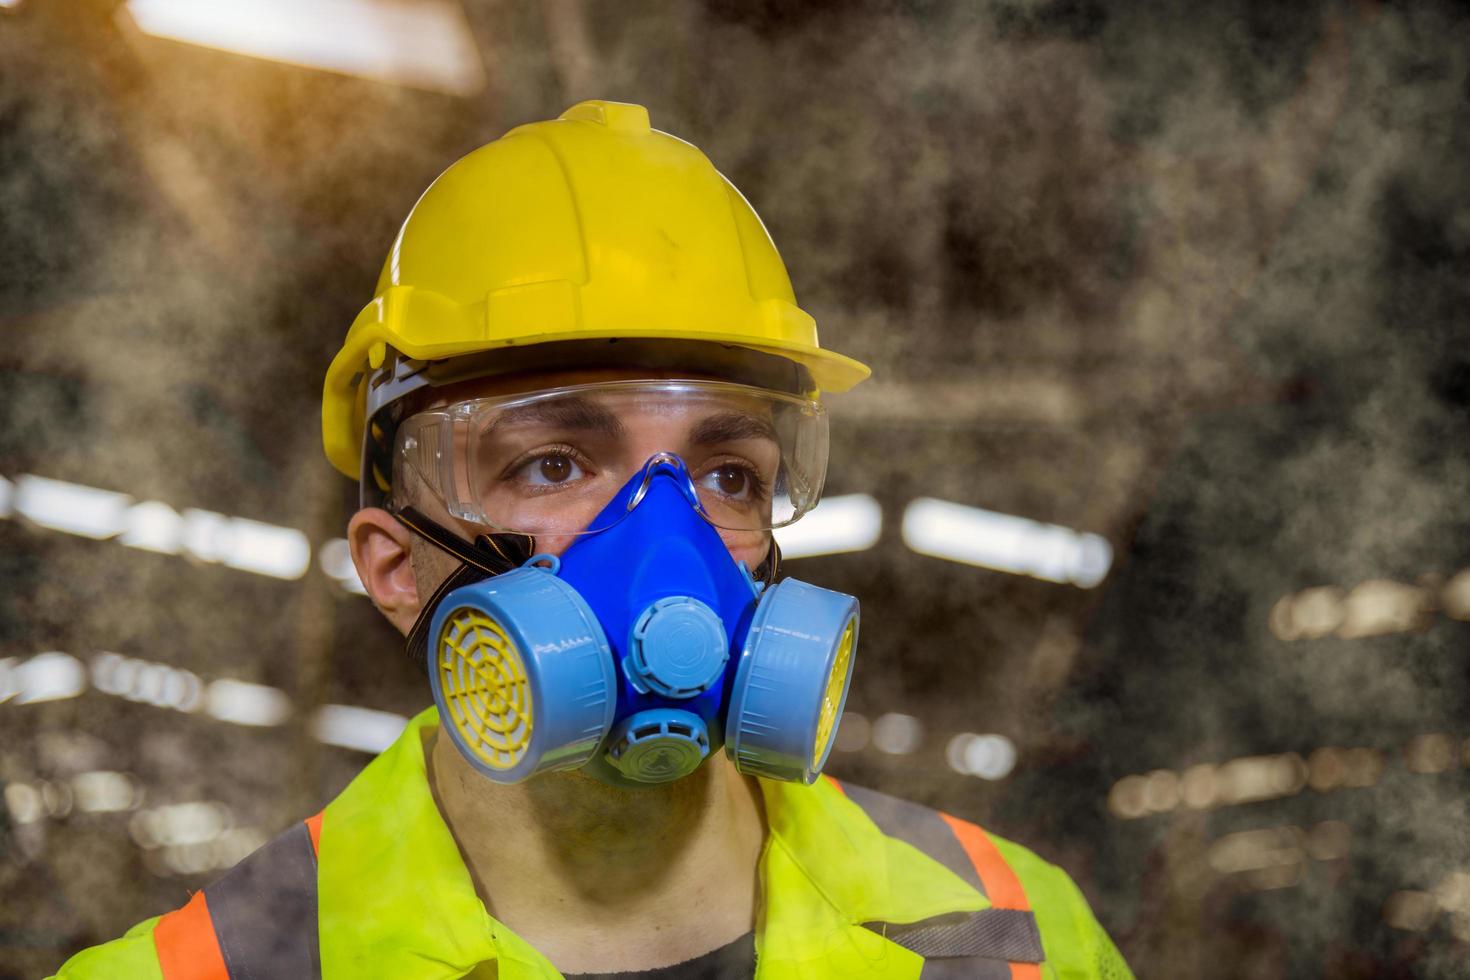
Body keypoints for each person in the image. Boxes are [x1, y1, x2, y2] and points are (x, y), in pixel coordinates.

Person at [52, 100, 1131, 980]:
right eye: (553, 462)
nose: (673, 543)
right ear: (394, 562)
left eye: (728, 473)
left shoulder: (1014, 935)